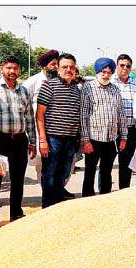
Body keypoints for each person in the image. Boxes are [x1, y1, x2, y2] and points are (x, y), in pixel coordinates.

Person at [0, 56, 36, 229]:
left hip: (20, 140)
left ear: (19, 70)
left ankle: (16, 213)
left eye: (15, 68)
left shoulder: (24, 91)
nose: (12, 71)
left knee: (18, 179)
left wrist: (32, 141)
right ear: (2, 69)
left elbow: (29, 118)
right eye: (8, 68)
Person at [36, 53, 82, 208]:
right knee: (49, 174)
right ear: (58, 68)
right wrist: (43, 140)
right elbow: (40, 115)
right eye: (65, 67)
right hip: (52, 139)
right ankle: (47, 207)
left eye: (71, 67)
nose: (68, 70)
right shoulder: (49, 86)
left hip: (70, 140)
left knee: (63, 173)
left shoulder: (77, 89)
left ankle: (57, 207)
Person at [80, 57, 128, 196]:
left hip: (111, 138)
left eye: (109, 73)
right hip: (93, 138)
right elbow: (83, 115)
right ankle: (87, 199)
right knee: (90, 171)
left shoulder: (115, 89)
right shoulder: (88, 88)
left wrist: (124, 137)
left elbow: (121, 113)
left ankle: (105, 199)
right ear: (97, 72)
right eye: (103, 72)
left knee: (107, 170)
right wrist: (86, 140)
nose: (106, 75)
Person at [23, 49, 59, 184]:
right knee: (42, 164)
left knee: (59, 164)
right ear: (44, 66)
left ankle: (57, 189)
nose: (56, 67)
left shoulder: (60, 80)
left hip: (57, 129)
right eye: (53, 64)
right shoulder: (34, 81)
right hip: (39, 129)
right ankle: (46, 191)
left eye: (57, 64)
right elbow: (22, 101)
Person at [112, 53, 136, 188]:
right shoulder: (109, 82)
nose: (125, 68)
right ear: (116, 66)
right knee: (106, 164)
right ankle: (104, 194)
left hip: (130, 130)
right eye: (122, 65)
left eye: (128, 66)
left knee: (126, 164)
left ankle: (124, 192)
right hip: (111, 130)